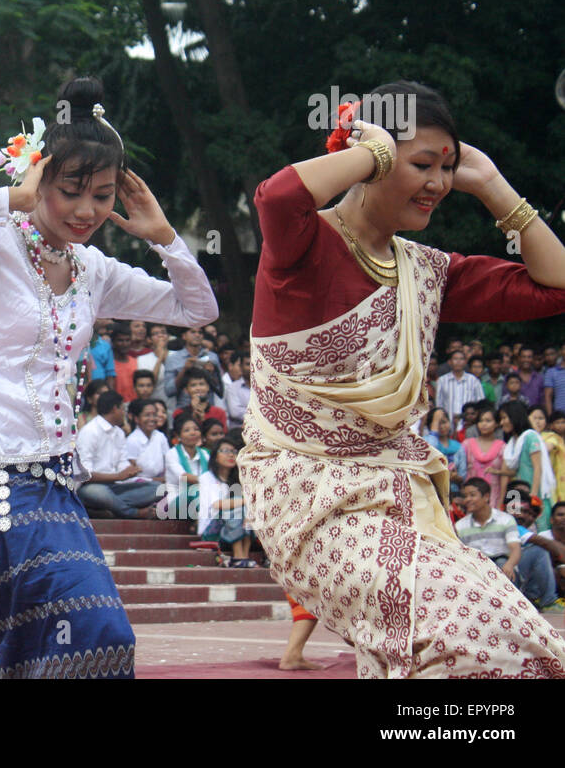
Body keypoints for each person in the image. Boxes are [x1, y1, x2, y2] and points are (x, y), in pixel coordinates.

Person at [0, 76, 217, 678]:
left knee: (32, 645)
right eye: (71, 191)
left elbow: (197, 310)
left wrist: (166, 238)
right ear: (39, 180)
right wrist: (9, 200)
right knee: (91, 628)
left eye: (103, 195)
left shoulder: (93, 268)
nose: (88, 211)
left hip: (51, 480)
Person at [240, 79, 565, 677]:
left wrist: (492, 185)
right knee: (464, 629)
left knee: (520, 644)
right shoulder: (305, 246)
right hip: (310, 500)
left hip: (400, 494)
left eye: (449, 167)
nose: (440, 184)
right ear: (371, 158)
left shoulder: (427, 273)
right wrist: (374, 149)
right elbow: (276, 198)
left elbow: (556, 284)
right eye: (421, 164)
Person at [457, 478, 558, 610]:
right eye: (465, 496)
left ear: (486, 496)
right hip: (478, 571)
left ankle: (548, 602)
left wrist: (510, 565)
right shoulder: (460, 526)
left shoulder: (505, 519)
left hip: (505, 567)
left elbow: (515, 548)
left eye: (472, 495)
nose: (467, 500)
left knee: (537, 552)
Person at [75, 390, 161, 518]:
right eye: (123, 409)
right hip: (90, 487)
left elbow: (122, 463)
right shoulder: (90, 432)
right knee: (97, 493)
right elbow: (84, 474)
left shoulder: (119, 433)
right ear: (115, 409)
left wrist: (130, 470)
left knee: (158, 488)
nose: (124, 414)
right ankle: (133, 513)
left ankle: (108, 509)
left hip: (116, 487)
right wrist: (118, 476)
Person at [197, 436, 256, 567]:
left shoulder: (238, 480)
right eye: (225, 450)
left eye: (234, 452)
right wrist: (246, 501)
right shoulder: (207, 478)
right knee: (238, 507)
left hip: (232, 528)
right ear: (215, 456)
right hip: (212, 530)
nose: (231, 455)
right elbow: (217, 504)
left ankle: (244, 555)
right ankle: (238, 555)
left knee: (247, 510)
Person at [496, 402, 544, 507]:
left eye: (504, 418)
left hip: (534, 493)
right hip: (518, 493)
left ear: (514, 416)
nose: (501, 422)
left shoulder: (530, 437)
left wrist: (534, 495)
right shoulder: (512, 442)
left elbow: (537, 468)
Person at [163, 326, 223, 409]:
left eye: (200, 332)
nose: (197, 335)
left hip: (208, 408)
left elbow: (219, 389)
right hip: (184, 409)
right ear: (184, 336)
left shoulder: (212, 357)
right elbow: (169, 391)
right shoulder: (173, 359)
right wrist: (184, 370)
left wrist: (211, 373)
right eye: (193, 332)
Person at [163, 415, 209, 520]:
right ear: (178, 436)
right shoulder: (172, 453)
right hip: (177, 501)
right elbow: (184, 477)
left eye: (196, 429)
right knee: (196, 491)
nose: (193, 433)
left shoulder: (205, 454)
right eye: (187, 430)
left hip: (203, 496)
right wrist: (209, 482)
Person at [422, 407, 466, 480]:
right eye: (438, 423)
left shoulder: (458, 446)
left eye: (444, 422)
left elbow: (463, 475)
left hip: (454, 489)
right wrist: (435, 423)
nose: (442, 427)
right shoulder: (425, 441)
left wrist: (456, 477)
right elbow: (429, 452)